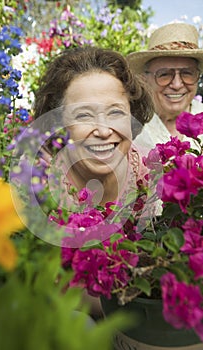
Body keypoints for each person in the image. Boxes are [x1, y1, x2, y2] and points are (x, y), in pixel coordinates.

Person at [32, 46, 155, 319]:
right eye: (84, 115)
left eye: (115, 113)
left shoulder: (144, 173)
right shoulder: (43, 186)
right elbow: (58, 293)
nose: (102, 130)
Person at [127, 22, 203, 154]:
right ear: (145, 79)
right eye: (164, 74)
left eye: (187, 73)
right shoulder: (129, 127)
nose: (177, 85)